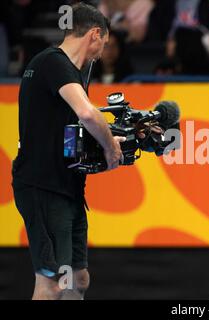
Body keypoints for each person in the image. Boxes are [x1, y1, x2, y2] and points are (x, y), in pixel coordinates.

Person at [12, 3, 125, 300]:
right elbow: (87, 115)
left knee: (78, 278)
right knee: (51, 284)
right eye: (104, 42)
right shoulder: (54, 63)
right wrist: (111, 147)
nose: (102, 51)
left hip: (66, 188)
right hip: (43, 187)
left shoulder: (66, 72)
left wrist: (115, 141)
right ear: (95, 34)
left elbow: (76, 130)